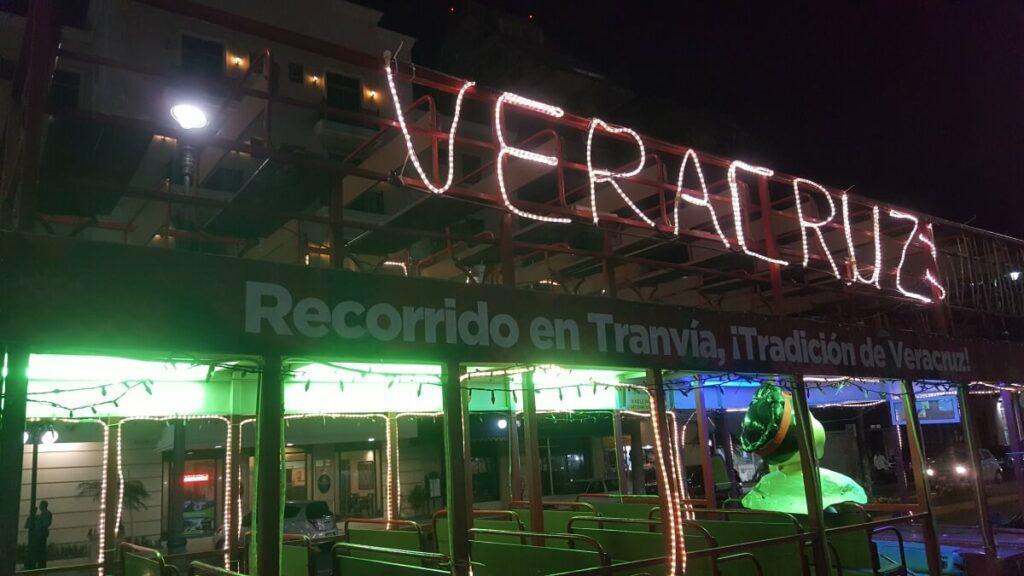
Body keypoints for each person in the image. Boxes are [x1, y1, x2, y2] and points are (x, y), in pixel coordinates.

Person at [31, 501, 53, 568]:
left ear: (43, 505)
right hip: (42, 533)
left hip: (41, 534)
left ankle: (41, 565)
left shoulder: (45, 513)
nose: (39, 506)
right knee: (41, 549)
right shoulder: (44, 513)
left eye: (40, 504)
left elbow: (44, 524)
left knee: (40, 549)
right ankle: (41, 564)